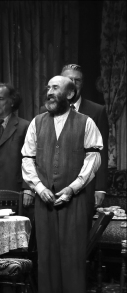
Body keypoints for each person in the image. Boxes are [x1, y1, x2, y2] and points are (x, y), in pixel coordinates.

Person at [23, 76, 102, 293]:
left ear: (70, 95)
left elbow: (93, 160)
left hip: (74, 199)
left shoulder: (85, 123)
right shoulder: (37, 123)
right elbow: (27, 158)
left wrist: (72, 188)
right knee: (46, 256)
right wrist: (39, 187)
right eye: (48, 88)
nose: (49, 92)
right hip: (45, 198)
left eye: (55, 88)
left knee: (73, 256)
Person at [60, 64, 109, 218]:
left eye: (77, 80)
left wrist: (100, 188)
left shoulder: (97, 111)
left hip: (85, 186)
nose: (73, 84)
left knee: (81, 236)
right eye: (69, 80)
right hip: (56, 186)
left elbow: (101, 151)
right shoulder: (47, 110)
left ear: (82, 84)